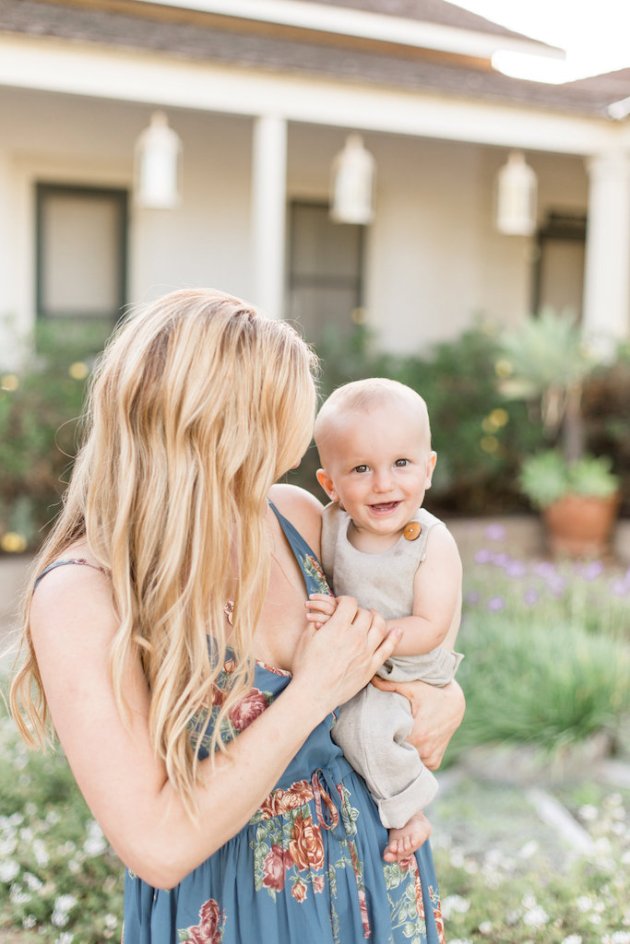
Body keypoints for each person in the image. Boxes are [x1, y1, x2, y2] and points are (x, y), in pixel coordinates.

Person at [10, 289, 464, 944]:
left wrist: (445, 692)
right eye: (282, 411)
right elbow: (157, 846)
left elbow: (401, 624)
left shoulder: (297, 517)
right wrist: (311, 692)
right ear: (211, 426)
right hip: (237, 911)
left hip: (377, 882)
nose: (299, 434)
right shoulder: (86, 594)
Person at [307, 379, 463, 865]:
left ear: (428, 468)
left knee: (366, 728)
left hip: (411, 666)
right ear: (330, 485)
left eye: (401, 463)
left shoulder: (431, 541)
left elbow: (430, 626)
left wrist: (362, 634)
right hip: (362, 658)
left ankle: (408, 808)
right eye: (360, 468)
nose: (383, 483)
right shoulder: (330, 524)